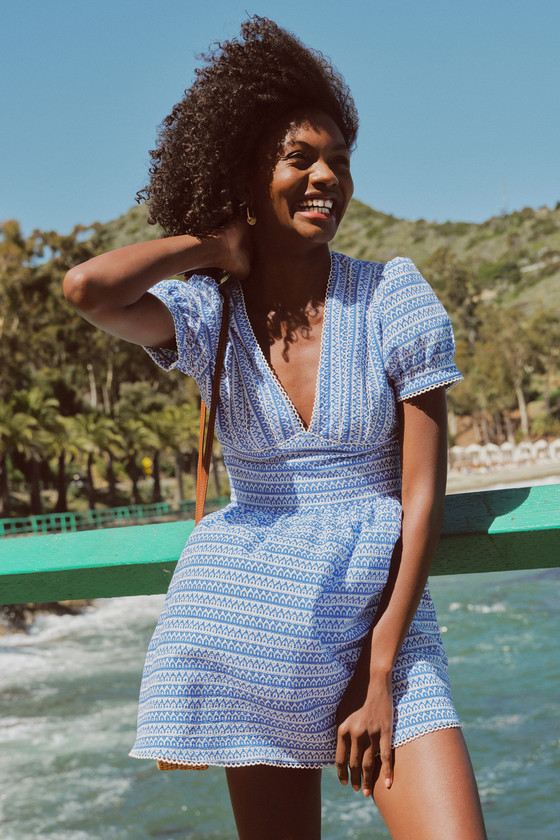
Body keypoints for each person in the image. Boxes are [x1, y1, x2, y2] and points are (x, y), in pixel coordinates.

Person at [63, 17, 487, 840]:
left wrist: (382, 671)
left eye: (339, 161)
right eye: (301, 159)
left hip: (379, 631)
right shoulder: (208, 312)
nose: (327, 176)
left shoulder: (392, 296)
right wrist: (214, 242)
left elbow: (423, 495)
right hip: (255, 635)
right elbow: (89, 289)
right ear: (249, 174)